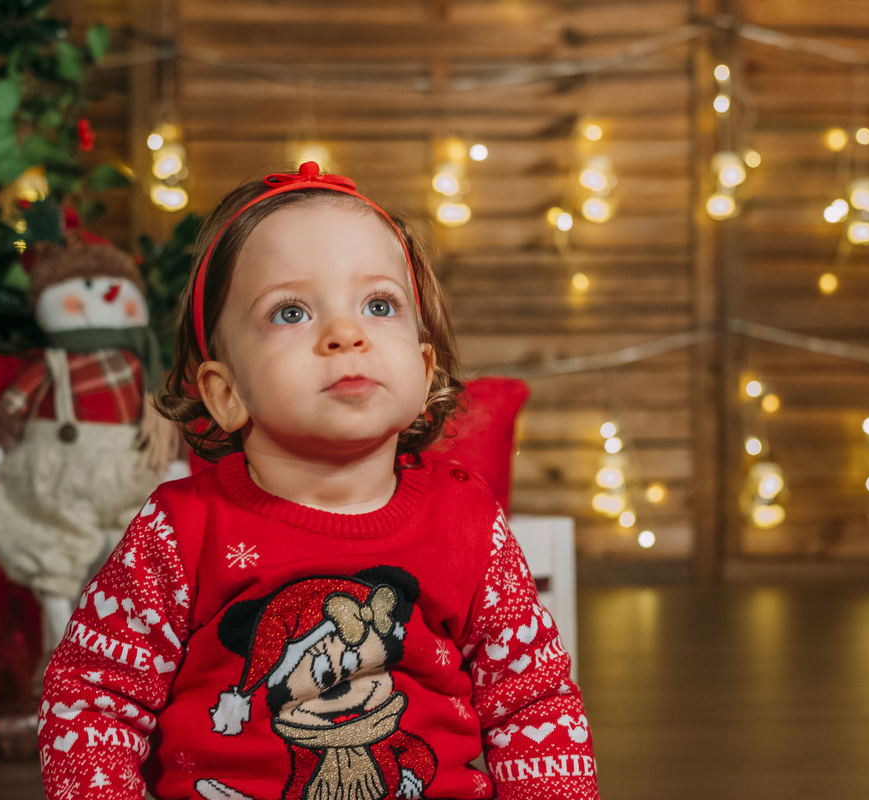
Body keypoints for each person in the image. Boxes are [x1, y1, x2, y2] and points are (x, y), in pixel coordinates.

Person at [37, 162, 601, 800]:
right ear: (226, 393)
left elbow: (533, 702)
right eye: (291, 311)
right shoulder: (180, 531)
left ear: (423, 372)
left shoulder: (465, 520)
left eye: (379, 305)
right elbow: (92, 698)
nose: (345, 334)